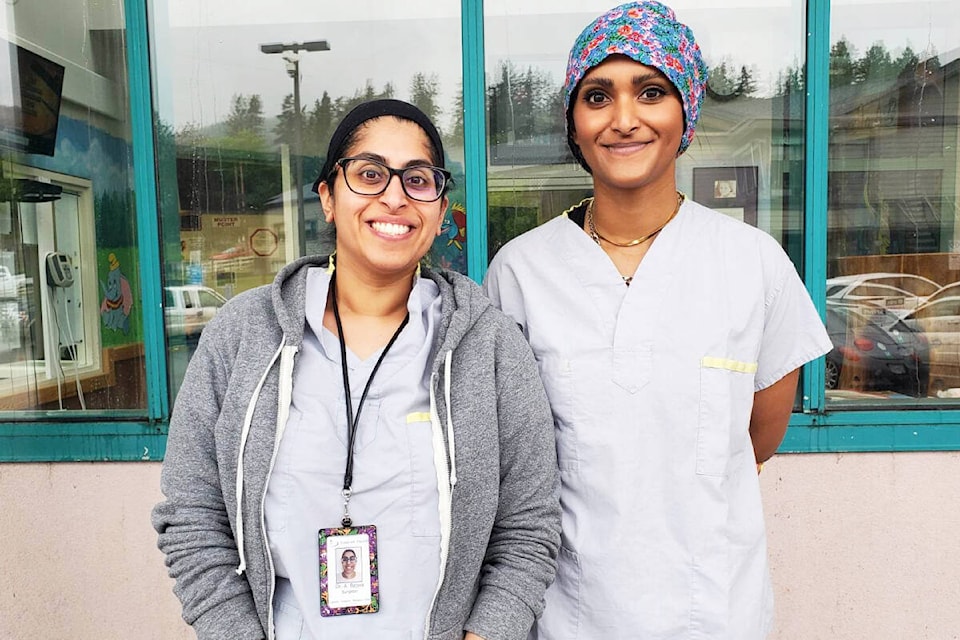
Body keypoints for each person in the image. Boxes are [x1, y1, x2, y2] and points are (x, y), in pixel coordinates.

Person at [482, 3, 833, 639]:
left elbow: (758, 434)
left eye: (651, 91)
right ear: (574, 123)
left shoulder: (752, 263)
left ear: (686, 113)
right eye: (597, 96)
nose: (624, 120)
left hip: (714, 611)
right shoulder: (519, 273)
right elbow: (512, 462)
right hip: (569, 616)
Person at [153, 99, 561, 640]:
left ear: (440, 211)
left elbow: (529, 531)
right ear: (327, 196)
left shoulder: (491, 348)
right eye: (370, 174)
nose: (394, 196)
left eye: (418, 179)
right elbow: (192, 516)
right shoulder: (242, 334)